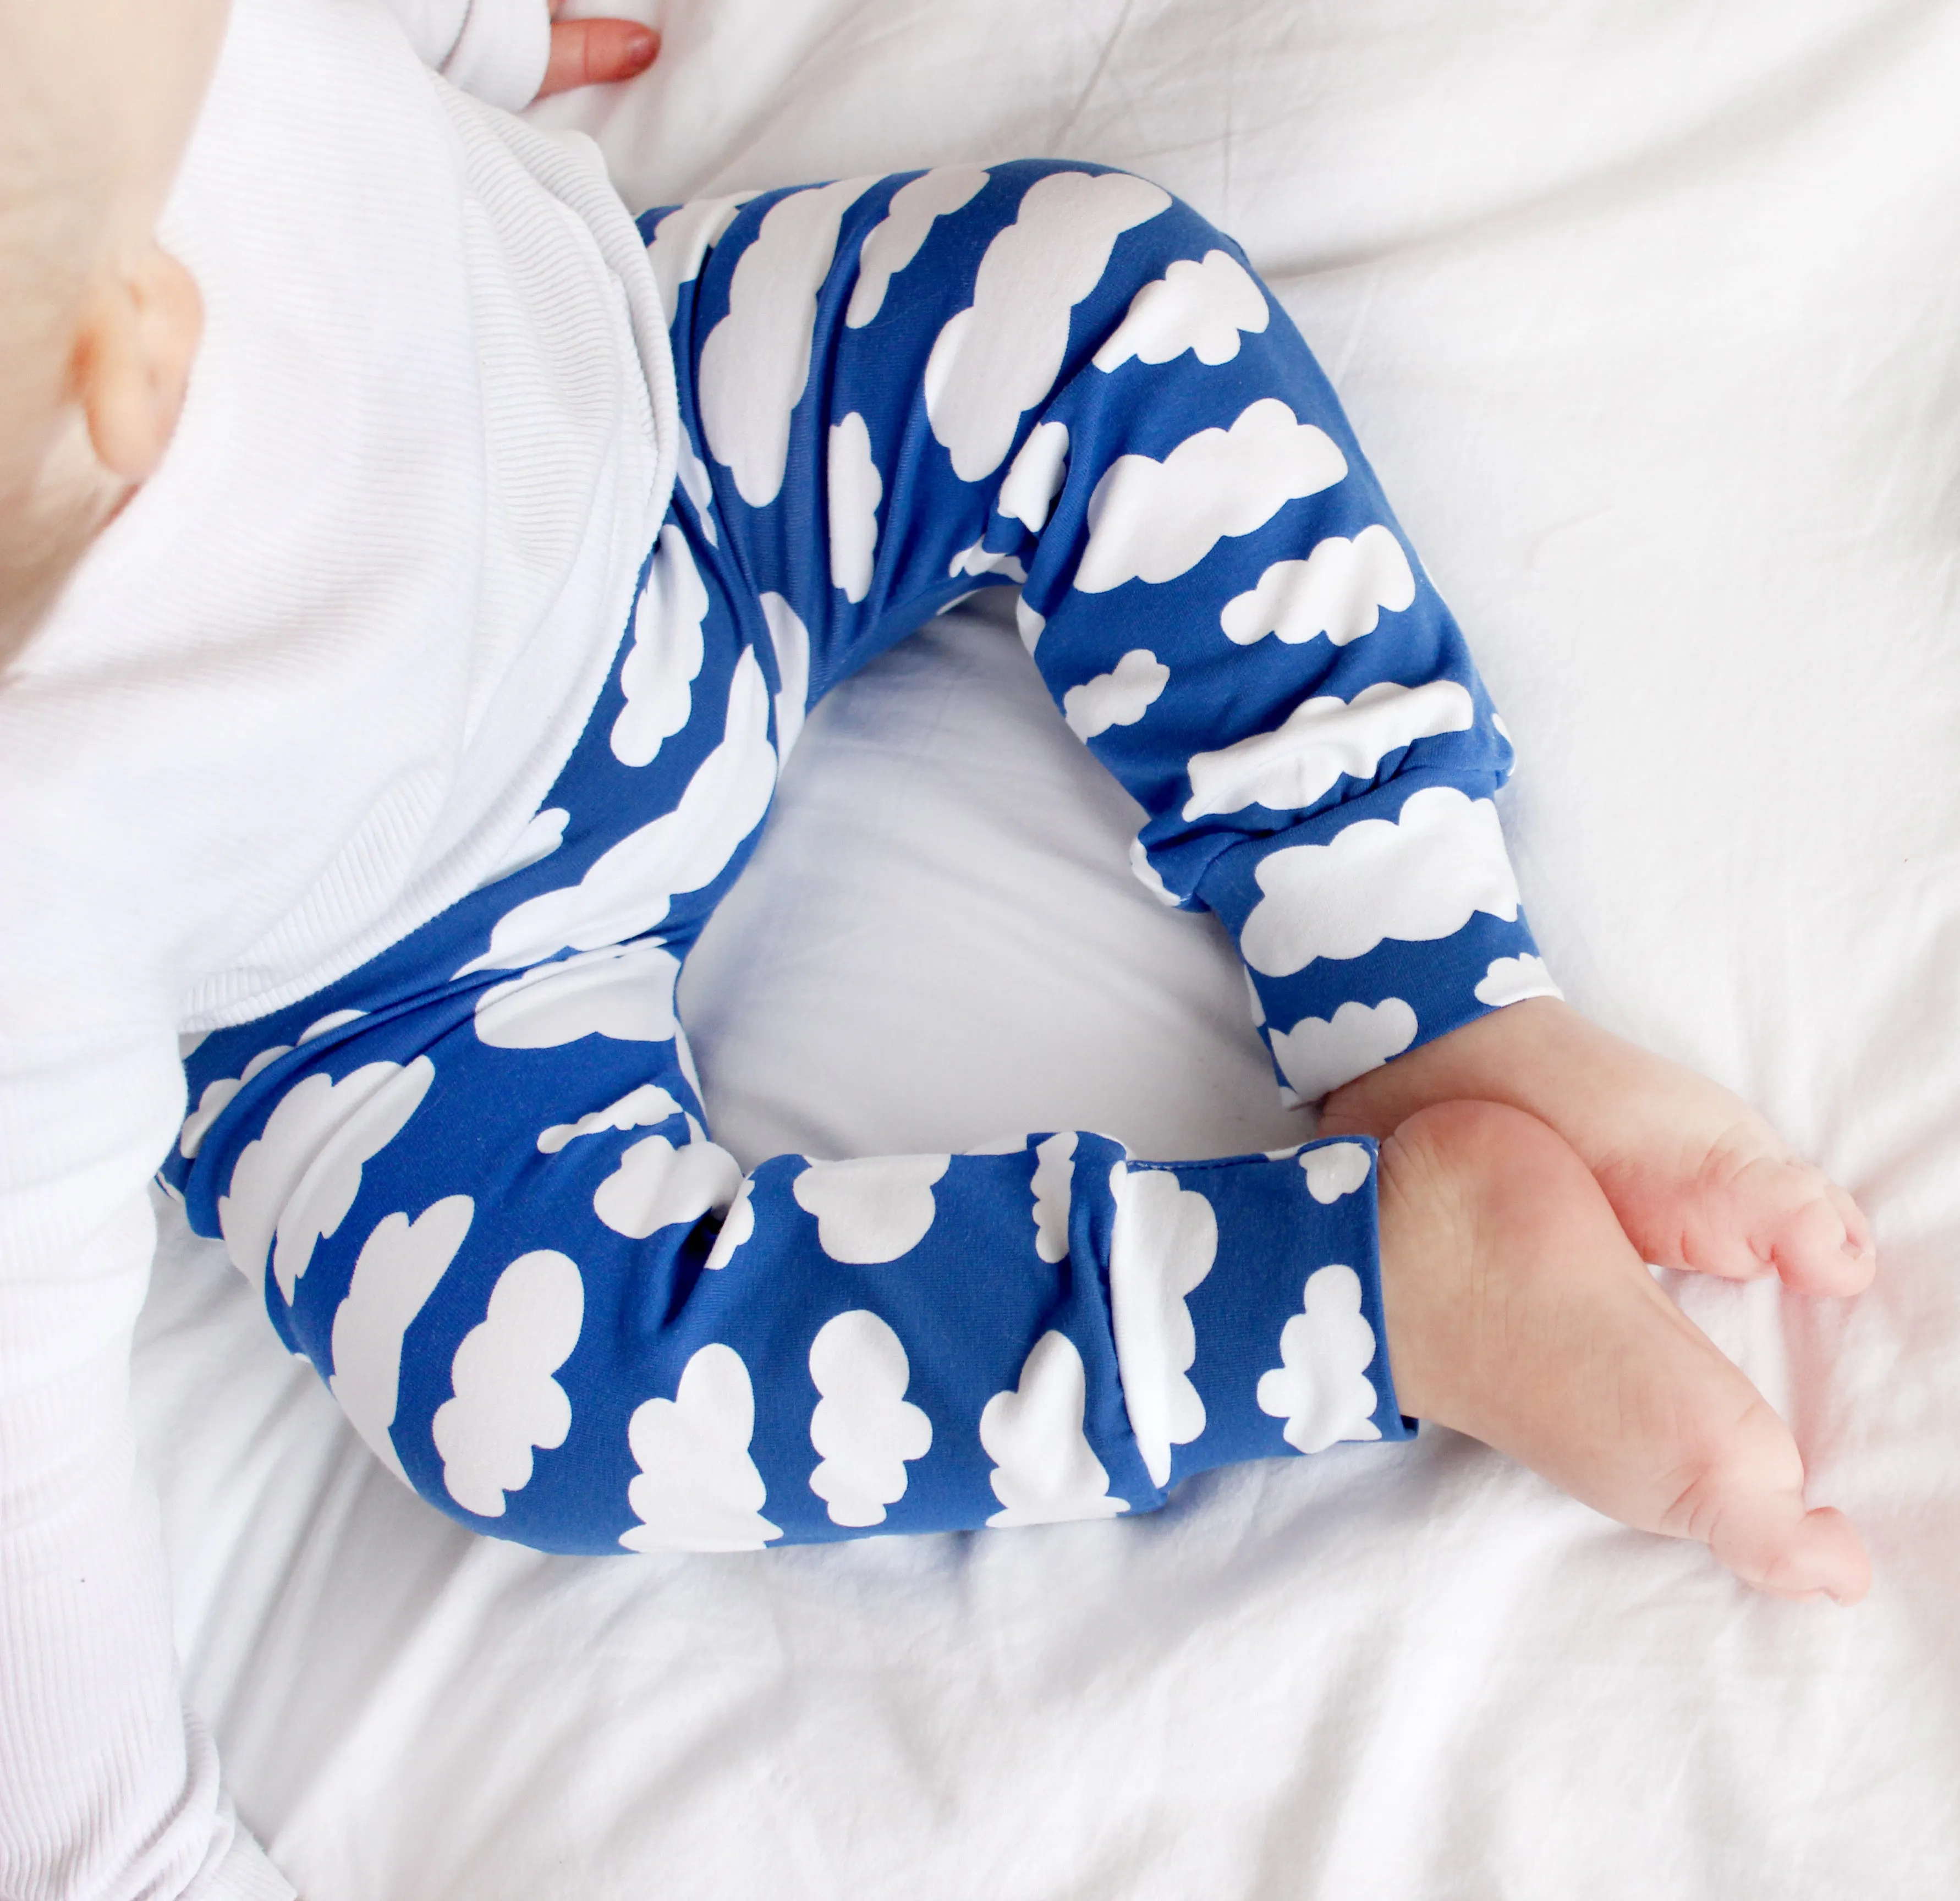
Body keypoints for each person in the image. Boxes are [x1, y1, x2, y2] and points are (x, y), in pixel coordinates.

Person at [0, 1, 1876, 1894]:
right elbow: (42, 1605)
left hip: (650, 439)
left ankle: (1422, 986)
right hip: (394, 996)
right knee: (527, 1401)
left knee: (1096, 299)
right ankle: (1380, 1287)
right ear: (136, 347)